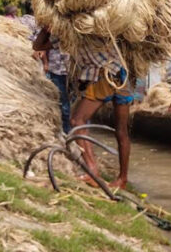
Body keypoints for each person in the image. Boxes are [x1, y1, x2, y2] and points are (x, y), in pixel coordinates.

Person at [33, 28, 134, 189]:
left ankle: (92, 172)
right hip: (122, 73)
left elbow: (38, 45)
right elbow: (38, 45)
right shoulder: (97, 25)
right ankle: (122, 179)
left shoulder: (71, 30)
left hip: (104, 75)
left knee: (77, 119)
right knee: (121, 130)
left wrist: (46, 26)